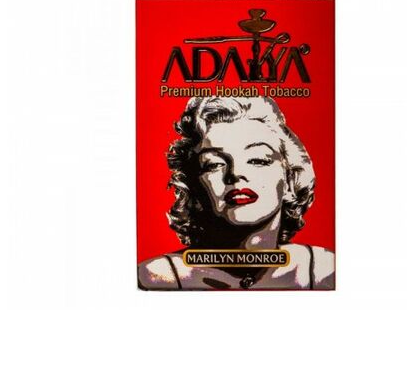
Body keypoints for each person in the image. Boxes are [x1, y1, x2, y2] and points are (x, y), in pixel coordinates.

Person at [138, 97, 335, 290]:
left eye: (258, 160)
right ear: (193, 188)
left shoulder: (324, 270)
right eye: (214, 164)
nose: (235, 173)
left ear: (290, 180)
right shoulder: (158, 277)